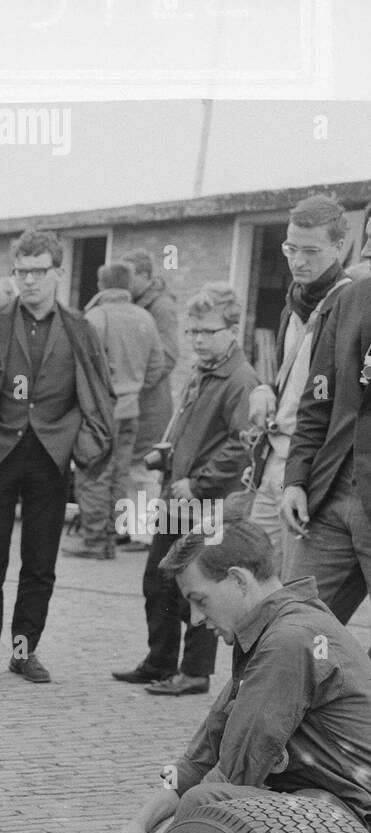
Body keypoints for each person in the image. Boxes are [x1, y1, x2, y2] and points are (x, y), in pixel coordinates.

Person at [96, 522, 371, 833]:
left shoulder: (289, 640)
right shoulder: (273, 629)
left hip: (354, 823)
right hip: (325, 807)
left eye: (200, 600)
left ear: (238, 580)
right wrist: (139, 826)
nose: (194, 618)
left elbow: (230, 777)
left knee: (208, 805)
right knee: (203, 803)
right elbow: (201, 757)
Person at [0, 227, 114, 684]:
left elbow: (96, 392)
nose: (29, 280)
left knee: (39, 564)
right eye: (22, 271)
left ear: (58, 272)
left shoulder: (80, 329)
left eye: (39, 272)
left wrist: (83, 442)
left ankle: (23, 651)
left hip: (50, 460)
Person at [112, 283, 259, 695]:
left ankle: (194, 672)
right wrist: (169, 450)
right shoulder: (203, 371)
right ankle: (159, 662)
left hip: (207, 501)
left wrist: (199, 481)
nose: (197, 340)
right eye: (193, 331)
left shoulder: (240, 379)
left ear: (232, 329)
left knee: (201, 584)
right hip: (177, 495)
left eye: (207, 331)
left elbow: (243, 442)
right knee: (158, 579)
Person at [247, 196, 353, 573]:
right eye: (291, 248)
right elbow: (290, 379)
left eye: (311, 251)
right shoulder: (293, 303)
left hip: (311, 468)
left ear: (339, 247)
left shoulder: (348, 305)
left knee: (292, 587)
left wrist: (307, 475)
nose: (298, 261)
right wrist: (264, 388)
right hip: (274, 458)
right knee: (250, 574)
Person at [281, 266, 371, 622]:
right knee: (289, 626)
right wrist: (296, 480)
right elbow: (317, 400)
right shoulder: (351, 297)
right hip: (330, 497)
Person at [67, 261, 163, 559]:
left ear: (101, 284)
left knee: (94, 474)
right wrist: (131, 389)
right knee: (120, 474)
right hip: (131, 409)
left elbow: (79, 367)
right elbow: (156, 366)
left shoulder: (96, 316)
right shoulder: (145, 317)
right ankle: (110, 537)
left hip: (100, 413)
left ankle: (94, 541)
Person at [121, 249, 181, 548]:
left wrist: (136, 383)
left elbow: (169, 355)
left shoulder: (162, 307)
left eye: (130, 276)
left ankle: (144, 536)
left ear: (145, 276)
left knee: (144, 469)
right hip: (136, 400)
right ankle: (133, 530)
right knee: (131, 467)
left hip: (150, 401)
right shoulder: (139, 303)